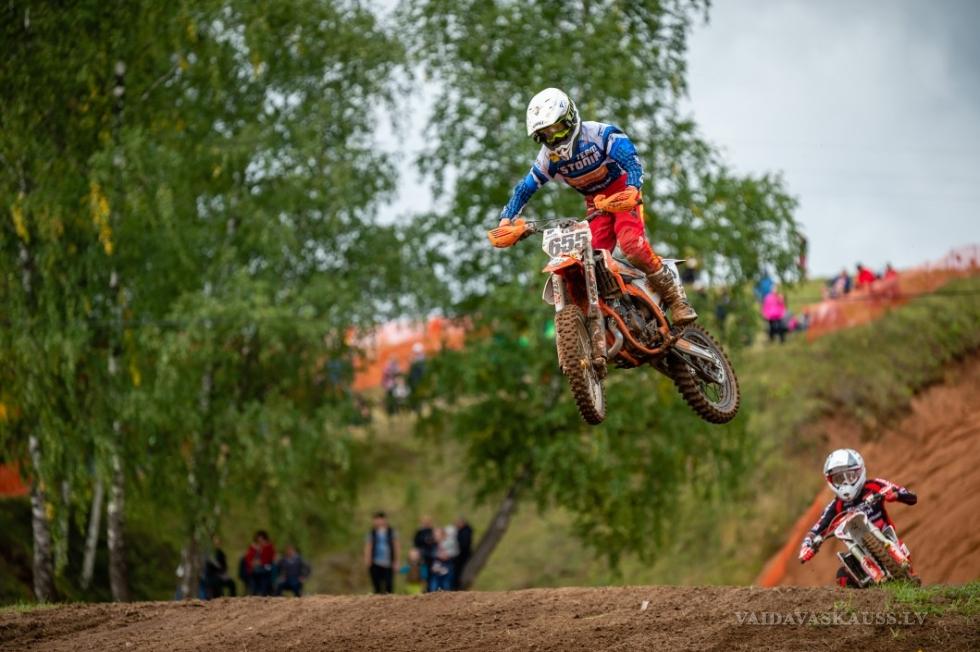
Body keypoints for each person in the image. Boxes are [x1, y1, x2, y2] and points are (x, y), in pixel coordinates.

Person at [497, 87, 696, 325]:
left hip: (622, 194)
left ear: (570, 119)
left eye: (557, 129)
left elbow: (632, 161)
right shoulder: (548, 158)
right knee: (589, 259)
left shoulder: (600, 134)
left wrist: (633, 188)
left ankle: (675, 299)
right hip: (596, 205)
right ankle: (610, 316)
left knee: (631, 245)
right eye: (545, 134)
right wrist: (506, 220)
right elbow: (525, 188)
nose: (554, 138)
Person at [798, 448, 918, 587]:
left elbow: (911, 496)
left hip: (887, 537)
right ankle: (869, 596)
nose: (845, 483)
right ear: (831, 481)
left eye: (850, 476)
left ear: (859, 472)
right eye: (839, 479)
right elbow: (817, 528)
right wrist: (808, 545)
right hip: (859, 547)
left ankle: (910, 574)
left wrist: (895, 494)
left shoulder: (874, 486)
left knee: (902, 554)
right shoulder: (835, 506)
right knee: (842, 577)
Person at [364, 511, 400, 594]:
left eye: (380, 519)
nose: (378, 521)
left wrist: (396, 561)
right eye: (376, 519)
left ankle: (389, 600)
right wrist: (367, 559)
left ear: (384, 520)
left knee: (389, 585)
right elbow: (368, 546)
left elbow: (396, 546)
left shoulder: (391, 532)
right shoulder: (372, 533)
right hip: (375, 562)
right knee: (376, 585)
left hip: (388, 562)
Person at [244, 530, 276, 596]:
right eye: (258, 539)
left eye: (262, 539)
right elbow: (248, 558)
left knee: (265, 573)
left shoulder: (268, 547)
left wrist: (261, 562)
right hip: (254, 568)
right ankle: (255, 592)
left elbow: (270, 558)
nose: (260, 541)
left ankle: (264, 591)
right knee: (254, 574)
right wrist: (253, 562)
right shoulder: (252, 547)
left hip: (265, 567)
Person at [412, 515, 437, 591]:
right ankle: (422, 589)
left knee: (430, 574)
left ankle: (430, 589)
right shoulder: (419, 532)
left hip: (431, 556)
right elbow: (416, 543)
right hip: (422, 555)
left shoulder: (432, 531)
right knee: (422, 573)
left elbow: (435, 542)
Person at [453, 516, 473, 591]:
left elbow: (464, 544)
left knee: (460, 571)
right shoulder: (462, 531)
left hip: (463, 555)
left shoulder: (465, 532)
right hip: (461, 554)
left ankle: (459, 586)